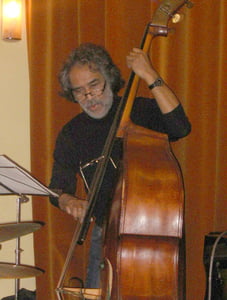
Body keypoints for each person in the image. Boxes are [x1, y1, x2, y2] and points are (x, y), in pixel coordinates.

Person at [49, 43, 191, 288]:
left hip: (156, 231)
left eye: (94, 85)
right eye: (79, 91)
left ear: (109, 78)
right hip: (106, 236)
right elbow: (57, 188)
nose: (89, 97)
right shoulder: (72, 134)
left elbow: (180, 127)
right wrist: (68, 201)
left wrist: (150, 75)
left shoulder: (138, 111)